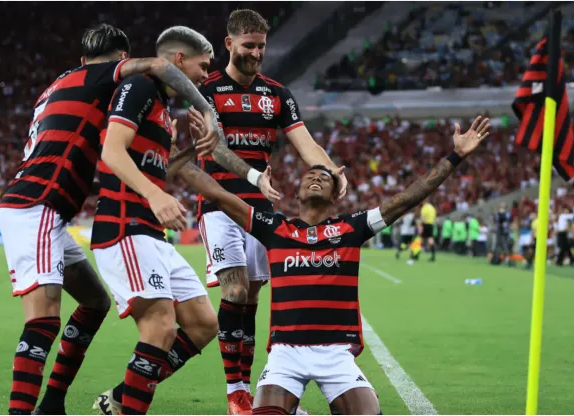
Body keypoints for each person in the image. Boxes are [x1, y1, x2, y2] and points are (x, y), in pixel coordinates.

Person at [170, 115, 491, 415]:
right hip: (285, 355)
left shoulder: (352, 228)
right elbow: (218, 195)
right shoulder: (276, 228)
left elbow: (407, 199)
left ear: (336, 193)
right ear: (294, 193)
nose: (315, 178)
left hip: (336, 354)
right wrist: (177, 157)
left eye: (323, 177)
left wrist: (456, 156)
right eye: (309, 174)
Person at [0, 23, 219, 415]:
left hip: (48, 209)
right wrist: (208, 111)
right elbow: (157, 66)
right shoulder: (108, 76)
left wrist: (183, 151)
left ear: (82, 59)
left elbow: (144, 160)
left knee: (95, 301)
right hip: (36, 204)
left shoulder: (59, 85)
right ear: (121, 60)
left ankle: (53, 403)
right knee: (43, 320)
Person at [197, 9, 348, 413]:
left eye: (261, 47)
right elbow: (213, 148)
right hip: (218, 201)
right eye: (249, 46)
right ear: (229, 44)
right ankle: (235, 392)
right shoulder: (207, 91)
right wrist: (250, 174)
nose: (256, 54)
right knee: (234, 289)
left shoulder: (277, 94)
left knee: (251, 299)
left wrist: (331, 169)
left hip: (261, 211)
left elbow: (305, 143)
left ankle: (245, 387)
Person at [89, 26, 225, 416]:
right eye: (204, 65)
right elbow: (112, 151)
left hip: (152, 232)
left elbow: (155, 171)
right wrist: (153, 195)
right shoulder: (141, 88)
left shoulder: (164, 109)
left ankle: (120, 397)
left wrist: (192, 152)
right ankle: (130, 407)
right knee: (161, 329)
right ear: (179, 60)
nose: (206, 75)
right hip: (124, 227)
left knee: (202, 324)